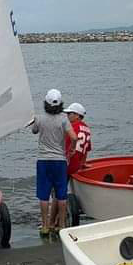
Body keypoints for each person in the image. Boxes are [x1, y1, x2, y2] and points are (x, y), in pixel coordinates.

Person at [30, 88, 71, 239]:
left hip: (43, 161)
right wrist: (70, 151)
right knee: (61, 195)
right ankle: (61, 226)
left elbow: (34, 131)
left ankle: (46, 226)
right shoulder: (64, 119)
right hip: (60, 161)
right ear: (60, 104)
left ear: (45, 103)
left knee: (44, 196)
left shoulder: (39, 118)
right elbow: (73, 137)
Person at [64, 103, 92, 181]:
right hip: (76, 167)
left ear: (77, 116)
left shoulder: (70, 128)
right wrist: (83, 163)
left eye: (69, 113)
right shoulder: (87, 129)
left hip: (66, 165)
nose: (67, 115)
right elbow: (86, 149)